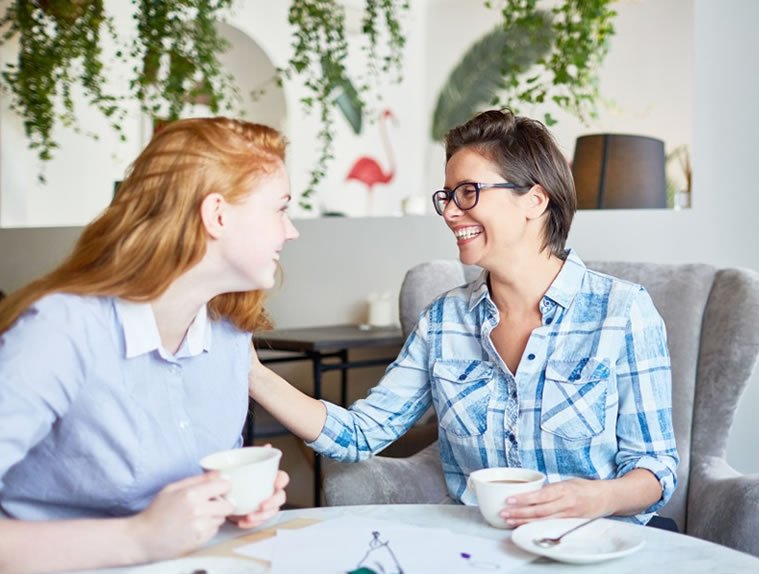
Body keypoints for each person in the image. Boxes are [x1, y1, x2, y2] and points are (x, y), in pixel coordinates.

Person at [250, 109, 677, 526]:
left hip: (591, 547)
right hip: (478, 550)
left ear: (534, 199)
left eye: (468, 192)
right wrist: (254, 373)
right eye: (448, 196)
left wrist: (596, 498)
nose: (451, 212)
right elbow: (361, 433)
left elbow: (655, 468)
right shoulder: (443, 320)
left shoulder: (622, 312)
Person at [0, 117, 297, 574]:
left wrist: (229, 502)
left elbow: (189, 500)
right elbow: (148, 533)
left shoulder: (229, 336)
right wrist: (139, 538)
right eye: (280, 209)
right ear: (217, 215)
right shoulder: (59, 330)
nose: (290, 231)